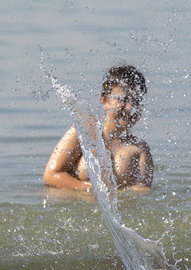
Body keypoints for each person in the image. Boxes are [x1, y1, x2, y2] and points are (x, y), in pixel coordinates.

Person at [43, 64, 153, 193]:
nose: (129, 108)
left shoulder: (139, 149)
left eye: (136, 101)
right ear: (104, 101)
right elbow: (51, 176)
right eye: (122, 100)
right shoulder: (84, 130)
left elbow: (142, 193)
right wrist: (92, 190)